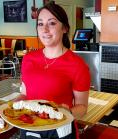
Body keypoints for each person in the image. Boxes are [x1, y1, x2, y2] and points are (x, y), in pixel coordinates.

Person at [19, 2, 91, 139]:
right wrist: (13, 105)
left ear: (64, 28)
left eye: (51, 23)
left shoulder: (77, 65)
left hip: (60, 130)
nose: (44, 29)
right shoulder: (28, 59)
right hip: (29, 126)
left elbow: (82, 107)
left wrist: (67, 111)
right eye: (40, 24)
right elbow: (25, 94)